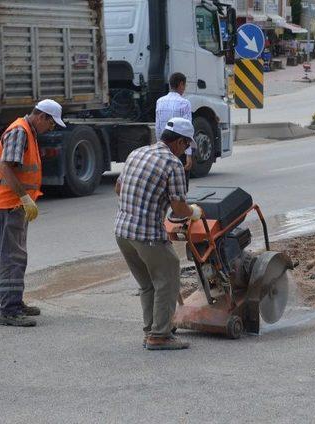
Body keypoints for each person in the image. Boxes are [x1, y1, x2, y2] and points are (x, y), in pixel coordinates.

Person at [114, 117, 203, 351]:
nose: (185, 151)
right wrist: (193, 212)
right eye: (186, 146)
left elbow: (118, 188)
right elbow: (178, 208)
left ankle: (151, 330)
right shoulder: (172, 164)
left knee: (148, 284)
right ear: (180, 142)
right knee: (169, 276)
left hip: (122, 232)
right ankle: (160, 336)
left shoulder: (137, 153)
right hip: (147, 235)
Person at [0, 99, 65, 327]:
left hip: (14, 204)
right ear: (42, 117)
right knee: (11, 256)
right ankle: (9, 310)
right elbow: (6, 168)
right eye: (52, 124)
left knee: (17, 255)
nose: (52, 128)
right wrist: (24, 197)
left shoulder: (28, 131)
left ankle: (15, 303)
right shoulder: (20, 131)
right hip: (8, 203)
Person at [155, 72, 196, 191]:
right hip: (179, 149)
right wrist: (188, 155)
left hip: (163, 147)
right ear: (181, 84)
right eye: (184, 85)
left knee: (165, 186)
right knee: (180, 187)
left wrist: (159, 146)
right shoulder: (185, 103)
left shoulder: (160, 101)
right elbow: (187, 131)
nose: (184, 89)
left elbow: (158, 126)